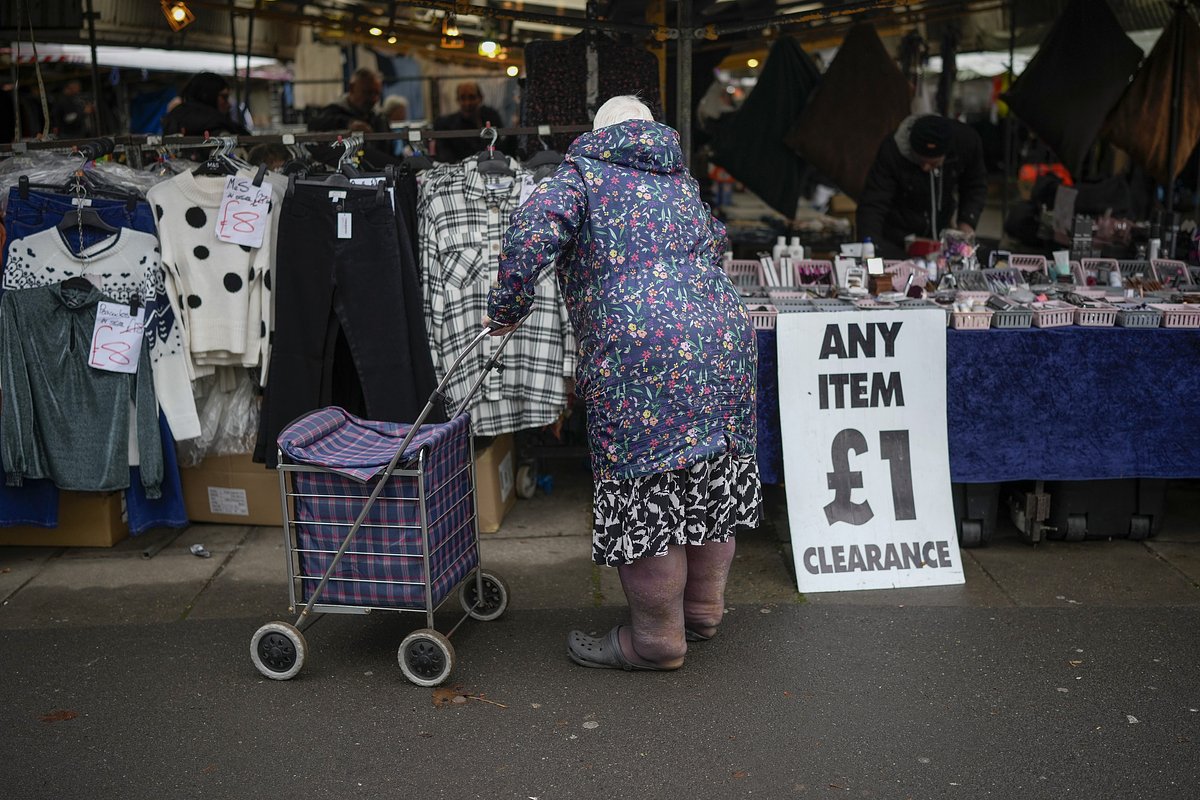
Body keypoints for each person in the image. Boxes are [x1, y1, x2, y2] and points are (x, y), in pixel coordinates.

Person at [484, 96, 762, 671]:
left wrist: (507, 302)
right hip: (724, 340)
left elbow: (532, 229)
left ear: (599, 131)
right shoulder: (681, 182)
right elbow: (718, 245)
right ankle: (703, 611)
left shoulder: (583, 175)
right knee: (711, 475)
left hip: (642, 353)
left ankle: (657, 641)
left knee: (650, 492)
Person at [856, 113, 989, 259]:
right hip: (899, 238)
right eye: (920, 161)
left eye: (933, 164)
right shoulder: (892, 151)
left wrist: (967, 222)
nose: (925, 168)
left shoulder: (966, 143)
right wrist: (871, 247)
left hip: (940, 239)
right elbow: (873, 202)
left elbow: (975, 185)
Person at [308, 67, 397, 168]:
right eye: (367, 92)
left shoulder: (379, 118)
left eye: (376, 93)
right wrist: (347, 124)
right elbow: (314, 124)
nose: (373, 98)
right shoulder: (333, 111)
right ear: (352, 88)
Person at [432, 81, 507, 163]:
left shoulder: (491, 117)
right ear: (457, 100)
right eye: (463, 98)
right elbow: (445, 155)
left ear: (480, 98)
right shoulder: (447, 125)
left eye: (472, 97)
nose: (467, 103)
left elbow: (500, 147)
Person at [161, 72, 250, 137]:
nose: (229, 104)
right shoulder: (218, 124)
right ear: (209, 96)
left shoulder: (174, 118)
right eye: (224, 97)